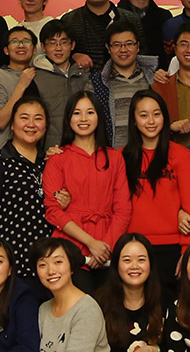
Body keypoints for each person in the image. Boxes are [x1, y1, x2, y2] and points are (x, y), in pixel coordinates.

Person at [44, 91, 129, 287]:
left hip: (108, 245)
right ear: (68, 118)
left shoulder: (115, 158)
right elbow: (53, 211)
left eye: (90, 112)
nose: (83, 118)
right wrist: (91, 243)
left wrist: (104, 248)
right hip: (69, 247)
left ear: (99, 116)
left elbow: (123, 210)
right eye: (77, 113)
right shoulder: (57, 159)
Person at [120, 92, 190, 281]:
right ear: (134, 121)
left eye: (156, 114)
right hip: (132, 246)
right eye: (143, 115)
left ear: (164, 118)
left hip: (172, 247)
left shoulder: (182, 156)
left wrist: (188, 250)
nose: (151, 121)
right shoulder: (120, 158)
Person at [0, 97, 51, 278]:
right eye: (24, 117)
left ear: (46, 126)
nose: (31, 124)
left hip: (48, 260)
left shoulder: (51, 162)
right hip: (13, 259)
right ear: (12, 124)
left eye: (38, 118)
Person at [60, 0, 142, 69]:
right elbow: (58, 54)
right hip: (83, 79)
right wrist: (73, 56)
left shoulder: (130, 19)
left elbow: (143, 56)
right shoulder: (69, 21)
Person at [30, 20, 92, 150]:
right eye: (52, 43)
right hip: (50, 149)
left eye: (64, 42)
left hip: (84, 147)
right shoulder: (34, 77)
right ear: (43, 47)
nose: (58, 48)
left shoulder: (85, 75)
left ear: (72, 45)